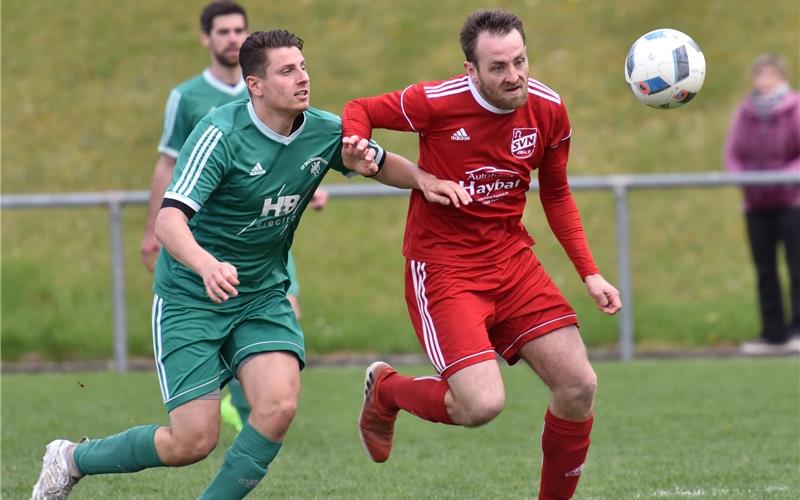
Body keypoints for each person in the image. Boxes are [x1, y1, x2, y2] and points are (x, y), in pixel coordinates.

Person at [31, 29, 470, 500]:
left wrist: (423, 179)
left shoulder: (324, 130)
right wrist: (205, 264)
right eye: (287, 71)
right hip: (191, 295)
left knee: (278, 406)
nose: (303, 78)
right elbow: (169, 221)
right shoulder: (220, 133)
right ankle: (70, 458)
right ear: (255, 85)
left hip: (260, 294)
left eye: (303, 66)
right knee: (192, 441)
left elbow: (379, 162)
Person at [342, 9, 621, 500]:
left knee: (579, 386)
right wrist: (357, 145)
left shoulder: (549, 109)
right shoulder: (435, 101)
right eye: (498, 67)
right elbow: (360, 106)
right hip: (445, 270)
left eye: (520, 61)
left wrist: (591, 273)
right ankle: (387, 390)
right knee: (481, 405)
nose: (514, 76)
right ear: (470, 70)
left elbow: (556, 193)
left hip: (513, 263)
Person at [724, 53, 800, 355]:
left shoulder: (795, 108)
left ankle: (798, 330)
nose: (764, 81)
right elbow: (734, 152)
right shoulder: (746, 112)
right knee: (764, 270)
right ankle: (773, 334)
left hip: (792, 201)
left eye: (770, 75)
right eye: (760, 75)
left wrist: (782, 177)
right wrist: (745, 179)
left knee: (797, 268)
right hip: (756, 204)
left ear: (781, 78)